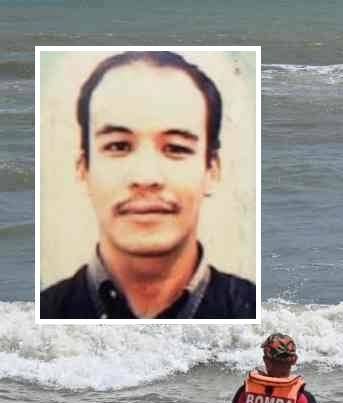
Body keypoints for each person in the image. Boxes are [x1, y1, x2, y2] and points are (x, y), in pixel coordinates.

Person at [40, 50, 255, 319]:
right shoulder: (42, 314)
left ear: (212, 169)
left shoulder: (254, 312)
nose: (145, 177)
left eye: (176, 148)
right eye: (118, 146)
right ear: (83, 169)